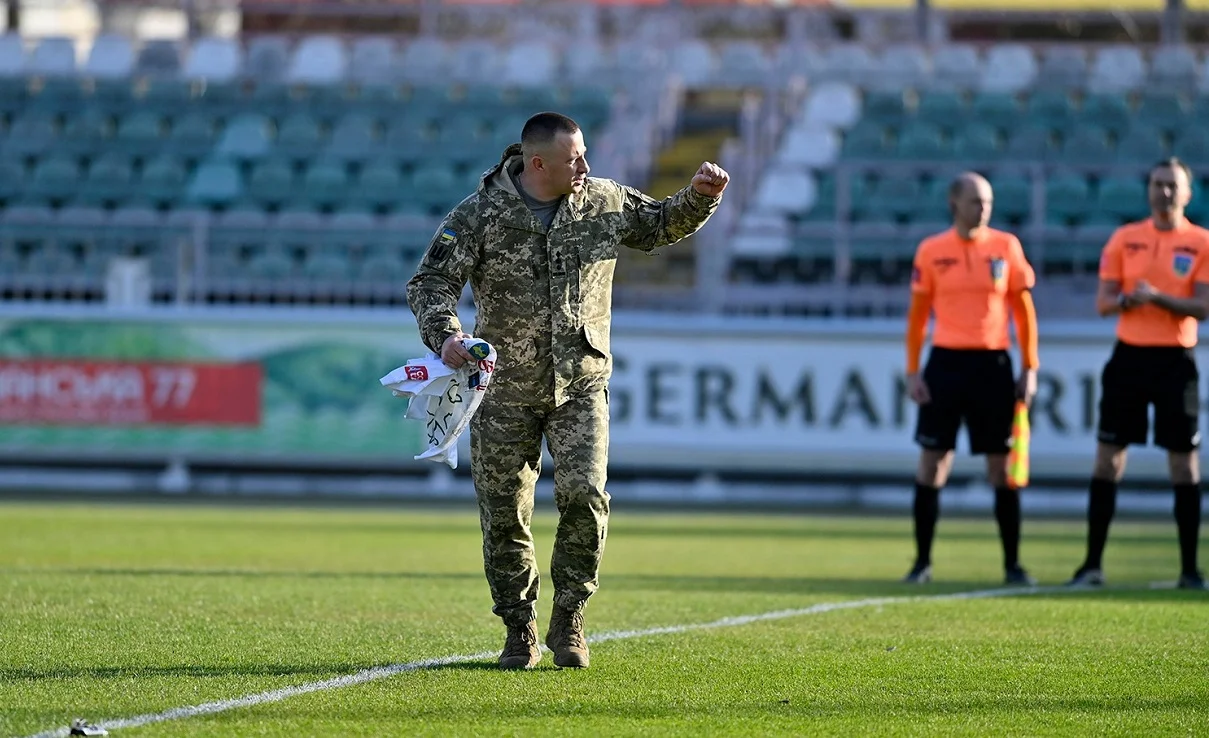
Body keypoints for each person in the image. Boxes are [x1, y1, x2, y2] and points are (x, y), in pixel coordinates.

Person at [406, 112, 728, 669]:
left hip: (581, 383)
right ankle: (518, 628)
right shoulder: (480, 214)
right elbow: (431, 282)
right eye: (572, 158)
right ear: (537, 164)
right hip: (501, 389)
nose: (584, 165)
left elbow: (658, 224)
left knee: (586, 498)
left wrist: (699, 197)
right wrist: (448, 336)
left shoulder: (602, 201)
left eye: (583, 154)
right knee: (504, 512)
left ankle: (570, 619)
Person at [1067, 158, 1207, 590]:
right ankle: (1092, 565)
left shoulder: (1201, 242)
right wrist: (1129, 300)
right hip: (1128, 358)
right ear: (1148, 190)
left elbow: (1203, 307)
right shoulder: (1125, 238)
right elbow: (1104, 301)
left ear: (1187, 194)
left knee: (1183, 465)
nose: (1164, 193)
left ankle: (1189, 570)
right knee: (1108, 458)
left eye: (1172, 186)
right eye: (1157, 184)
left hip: (1175, 361)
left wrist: (1158, 298)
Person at [902, 172, 1040, 586]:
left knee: (1001, 468)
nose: (984, 208)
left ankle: (1013, 565)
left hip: (993, 365)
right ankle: (922, 563)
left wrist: (1030, 366)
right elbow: (917, 317)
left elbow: (1024, 311)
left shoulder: (1006, 247)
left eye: (989, 202)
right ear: (954, 204)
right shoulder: (931, 250)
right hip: (944, 364)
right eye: (976, 201)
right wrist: (913, 369)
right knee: (932, 464)